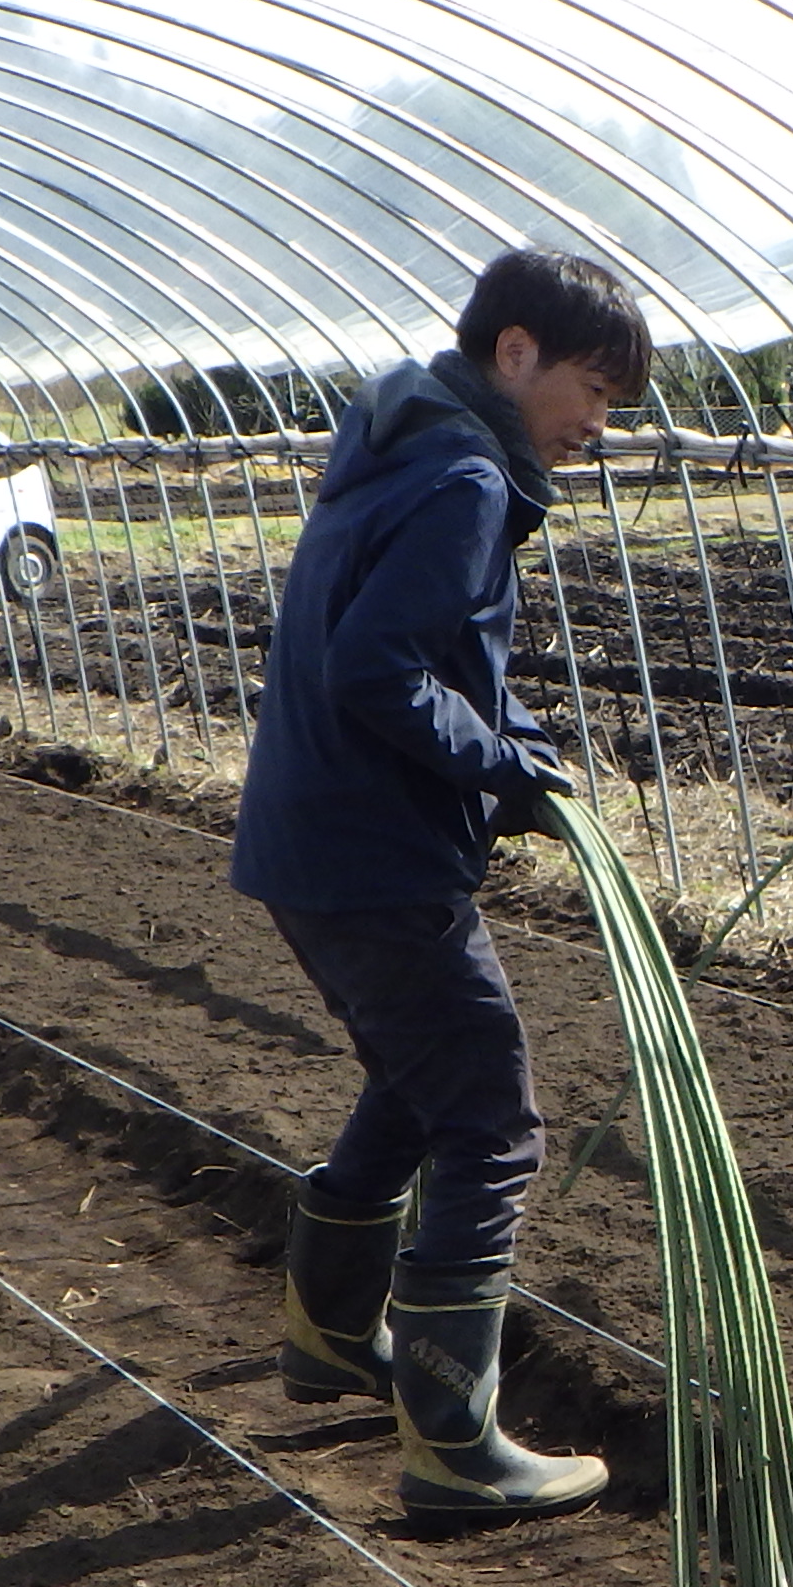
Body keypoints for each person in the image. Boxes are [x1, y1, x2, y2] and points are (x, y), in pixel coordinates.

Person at [232, 246, 646, 1517]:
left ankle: (327, 1331)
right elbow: (381, 671)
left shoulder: (404, 446)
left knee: (417, 1086)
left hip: (314, 843)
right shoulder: (466, 475)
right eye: (592, 387)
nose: (596, 425)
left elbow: (424, 657)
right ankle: (453, 1441)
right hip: (374, 857)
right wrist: (501, 775)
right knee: (492, 1123)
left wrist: (510, 745)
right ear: (513, 353)